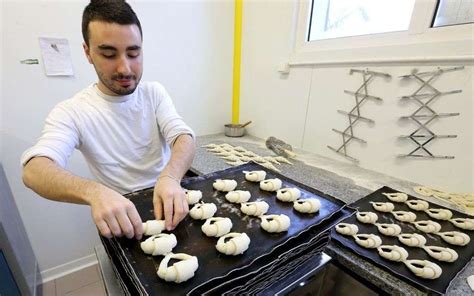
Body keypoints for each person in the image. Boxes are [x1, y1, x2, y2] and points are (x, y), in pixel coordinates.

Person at [21, 0, 195, 241]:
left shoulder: (154, 93)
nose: (125, 68)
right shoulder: (73, 111)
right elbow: (34, 170)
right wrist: (95, 193)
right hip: (123, 220)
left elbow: (182, 137)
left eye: (133, 53)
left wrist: (170, 176)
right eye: (109, 54)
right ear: (87, 52)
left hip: (169, 204)